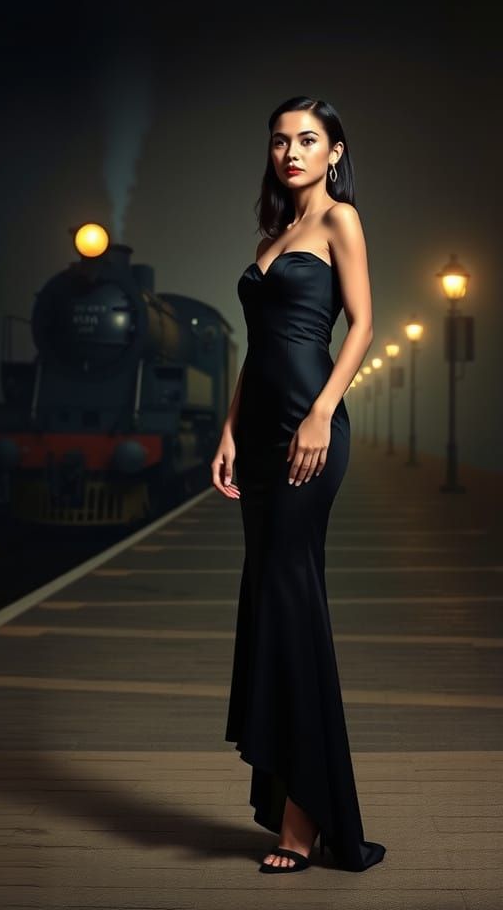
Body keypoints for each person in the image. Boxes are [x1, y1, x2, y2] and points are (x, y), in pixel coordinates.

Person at [211, 96, 387, 874]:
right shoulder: (272, 236)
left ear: (335, 152)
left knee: (292, 599)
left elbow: (364, 324)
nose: (291, 151)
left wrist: (321, 413)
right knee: (271, 599)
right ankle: (296, 801)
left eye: (307, 140)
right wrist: (227, 427)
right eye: (280, 140)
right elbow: (258, 350)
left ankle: (305, 821)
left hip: (310, 431)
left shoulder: (338, 222)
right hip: (257, 434)